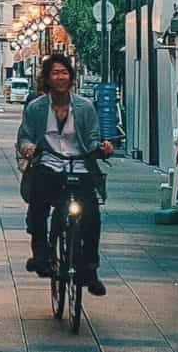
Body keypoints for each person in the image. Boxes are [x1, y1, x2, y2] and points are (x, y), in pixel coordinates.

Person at [16, 53, 113, 296]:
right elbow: (25, 135)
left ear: (71, 76)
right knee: (38, 205)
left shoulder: (85, 107)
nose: (60, 77)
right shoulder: (37, 107)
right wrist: (28, 148)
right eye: (55, 73)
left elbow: (92, 137)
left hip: (79, 166)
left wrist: (101, 148)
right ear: (47, 79)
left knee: (92, 217)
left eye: (64, 72)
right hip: (49, 164)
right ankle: (41, 252)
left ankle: (90, 268)